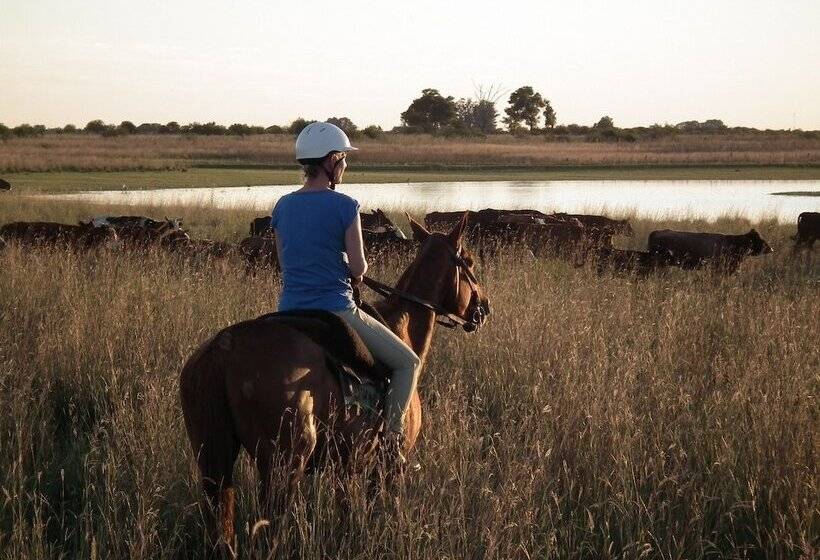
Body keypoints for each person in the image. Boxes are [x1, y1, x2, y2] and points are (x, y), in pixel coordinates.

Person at [270, 122, 420, 464]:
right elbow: (358, 267)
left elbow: (284, 263)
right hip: (336, 310)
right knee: (407, 364)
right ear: (332, 161)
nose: (346, 166)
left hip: (287, 312)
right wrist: (350, 268)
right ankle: (392, 444)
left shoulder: (282, 206)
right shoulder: (345, 205)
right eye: (344, 160)